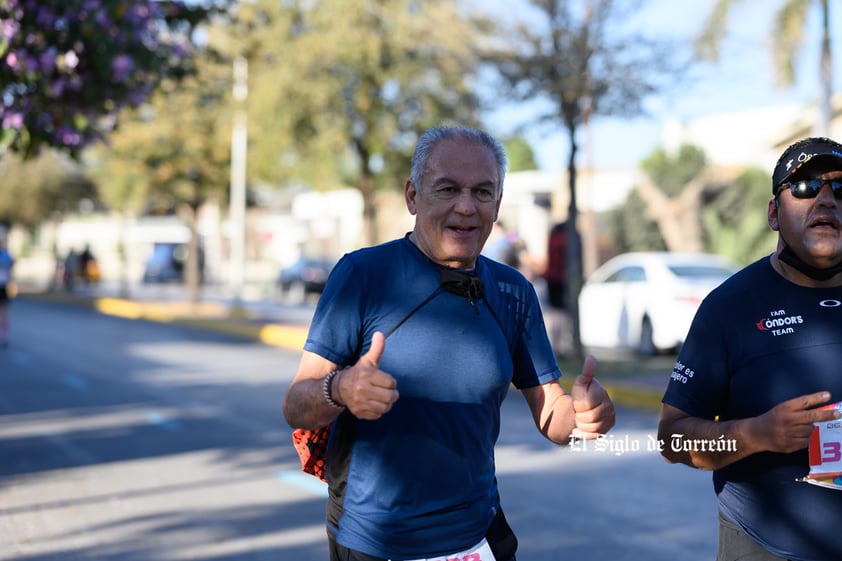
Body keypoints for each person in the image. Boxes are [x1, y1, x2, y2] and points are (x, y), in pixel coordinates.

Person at [282, 125, 615, 561]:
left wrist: (583, 417)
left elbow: (551, 412)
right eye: (448, 189)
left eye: (482, 192)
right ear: (412, 196)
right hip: (375, 542)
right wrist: (340, 388)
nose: (466, 207)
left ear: (497, 203)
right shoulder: (364, 275)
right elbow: (296, 404)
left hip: (477, 537)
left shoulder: (514, 292)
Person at [658, 136, 842, 561]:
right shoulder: (730, 307)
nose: (827, 199)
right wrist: (756, 434)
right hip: (765, 545)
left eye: (840, 189)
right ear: (774, 213)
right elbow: (672, 439)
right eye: (805, 187)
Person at [0, 237, 14, 347]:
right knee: (4, 311)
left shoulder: (6, 255)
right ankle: (4, 335)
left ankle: (4, 335)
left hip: (4, 286)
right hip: (4, 285)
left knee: (4, 311)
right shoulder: (7, 255)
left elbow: (11, 271)